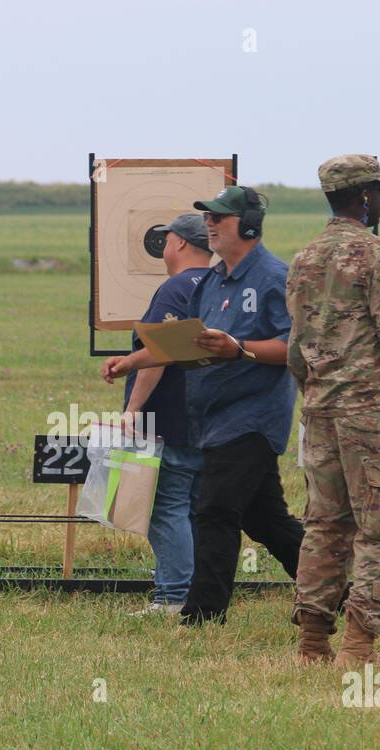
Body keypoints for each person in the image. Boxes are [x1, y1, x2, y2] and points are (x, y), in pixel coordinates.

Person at [103, 185, 303, 626]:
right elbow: (178, 343)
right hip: (211, 420)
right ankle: (330, 588)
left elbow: (295, 347)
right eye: (208, 217)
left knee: (213, 509)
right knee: (266, 519)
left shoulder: (274, 277)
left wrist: (240, 349)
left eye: (220, 217)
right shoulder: (211, 282)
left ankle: (202, 614)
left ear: (248, 226)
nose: (209, 224)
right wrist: (129, 361)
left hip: (252, 418)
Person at [286, 155, 380, 666]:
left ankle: (312, 642)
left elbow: (296, 347)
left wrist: (314, 391)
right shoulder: (378, 256)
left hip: (319, 412)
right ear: (364, 197)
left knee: (325, 525)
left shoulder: (304, 258)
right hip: (371, 415)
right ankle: (358, 644)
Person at [120, 214, 212, 616]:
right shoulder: (218, 283)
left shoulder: (174, 288)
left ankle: (173, 595)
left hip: (170, 418)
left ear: (178, 244)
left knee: (164, 504)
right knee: (191, 506)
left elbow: (159, 354)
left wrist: (132, 409)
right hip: (208, 418)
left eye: (168, 238)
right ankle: (193, 593)